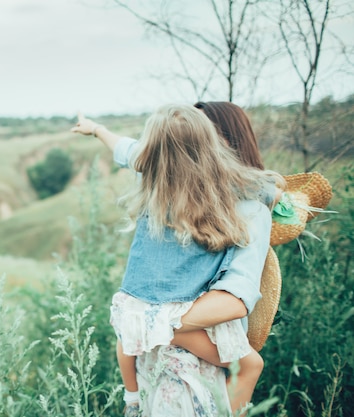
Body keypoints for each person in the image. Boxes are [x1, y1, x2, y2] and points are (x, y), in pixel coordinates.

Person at [71, 104, 282, 417]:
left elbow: (127, 149)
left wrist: (96, 129)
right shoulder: (231, 192)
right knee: (251, 364)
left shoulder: (152, 176)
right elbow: (265, 189)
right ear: (213, 145)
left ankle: (131, 400)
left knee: (126, 336)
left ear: (152, 151)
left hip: (134, 306)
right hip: (184, 316)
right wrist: (274, 193)